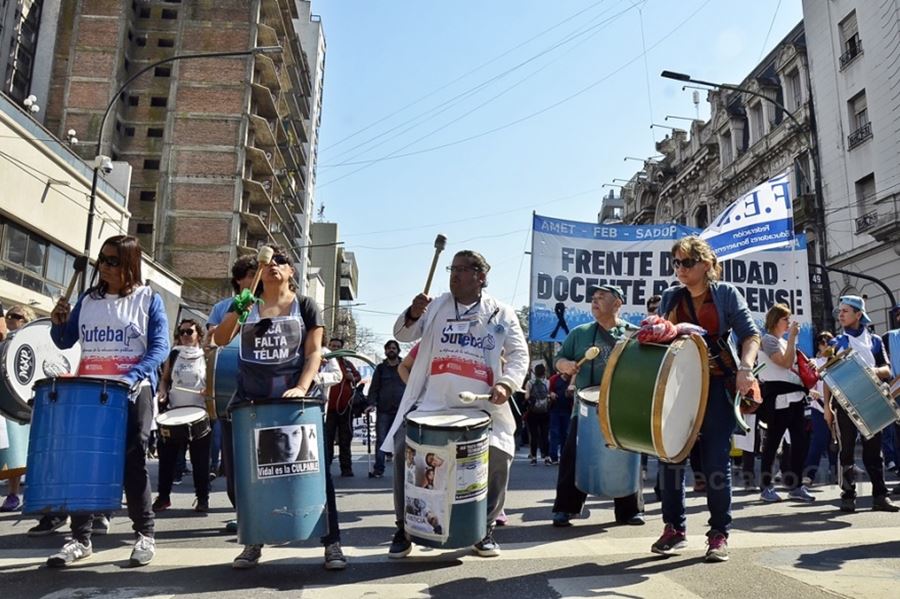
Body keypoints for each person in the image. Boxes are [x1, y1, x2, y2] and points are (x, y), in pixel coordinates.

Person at [384, 250, 528, 559]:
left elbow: (519, 355)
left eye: (463, 269)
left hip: (481, 407)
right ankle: (403, 528)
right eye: (453, 268)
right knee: (401, 450)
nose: (454, 274)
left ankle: (484, 528)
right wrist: (412, 311)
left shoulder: (501, 312)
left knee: (499, 454)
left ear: (481, 277)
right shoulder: (435, 306)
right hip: (432, 405)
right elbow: (402, 333)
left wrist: (506, 383)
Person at [212, 245, 347, 570]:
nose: (274, 265)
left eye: (282, 262)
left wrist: (301, 387)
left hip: (296, 404)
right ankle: (252, 541)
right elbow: (220, 338)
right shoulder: (247, 305)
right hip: (251, 403)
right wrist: (239, 306)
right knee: (247, 476)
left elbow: (314, 352)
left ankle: (332, 544)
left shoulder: (305, 306)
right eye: (269, 261)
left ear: (292, 273)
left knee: (313, 475)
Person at [46, 235, 169, 567]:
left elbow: (159, 348)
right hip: (89, 389)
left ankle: (145, 534)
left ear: (130, 264)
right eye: (102, 259)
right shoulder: (88, 298)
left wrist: (133, 375)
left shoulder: (148, 299)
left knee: (132, 462)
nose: (104, 266)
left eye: (113, 261)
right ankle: (80, 539)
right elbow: (63, 340)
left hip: (132, 389)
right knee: (84, 463)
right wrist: (57, 322)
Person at [651, 235, 760, 563]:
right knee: (669, 457)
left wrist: (746, 368)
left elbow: (751, 335)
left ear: (706, 265)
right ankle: (674, 529)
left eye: (686, 262)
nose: (679, 269)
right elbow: (660, 341)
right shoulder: (671, 296)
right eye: (676, 263)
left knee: (715, 461)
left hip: (717, 385)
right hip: (680, 387)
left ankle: (718, 534)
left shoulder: (726, 294)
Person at [551, 284, 644, 527]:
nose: (595, 300)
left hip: (621, 407)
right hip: (584, 407)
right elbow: (558, 359)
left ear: (617, 304)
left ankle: (629, 510)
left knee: (626, 453)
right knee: (573, 455)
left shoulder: (633, 334)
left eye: (602, 297)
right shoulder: (579, 333)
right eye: (594, 297)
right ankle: (566, 508)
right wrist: (566, 366)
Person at [824, 295, 898, 513]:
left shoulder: (874, 341)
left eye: (845, 311)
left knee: (874, 452)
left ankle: (880, 496)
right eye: (840, 311)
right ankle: (848, 495)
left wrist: (872, 371)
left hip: (871, 399)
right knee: (846, 450)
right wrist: (828, 407)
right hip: (844, 402)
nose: (841, 314)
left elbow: (887, 369)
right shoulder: (835, 343)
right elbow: (827, 376)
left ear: (858, 314)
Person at [205, 254, 259, 531]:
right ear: (239, 280)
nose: (256, 279)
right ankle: (241, 511)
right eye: (251, 275)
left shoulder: (268, 305)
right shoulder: (223, 307)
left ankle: (263, 510)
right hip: (230, 390)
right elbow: (211, 341)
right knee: (234, 458)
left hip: (260, 391)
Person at [152, 319, 212, 513]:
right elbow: (165, 379)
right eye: (182, 332)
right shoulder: (175, 353)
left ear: (198, 335)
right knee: (167, 459)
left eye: (190, 332)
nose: (185, 335)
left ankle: (202, 498)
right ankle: (163, 497)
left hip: (198, 414)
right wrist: (162, 392)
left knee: (200, 460)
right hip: (174, 413)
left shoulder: (207, 355)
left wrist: (208, 391)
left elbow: (213, 382)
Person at [757, 303, 815, 503]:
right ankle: (766, 486)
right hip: (779, 399)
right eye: (785, 319)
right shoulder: (768, 340)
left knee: (799, 443)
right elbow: (783, 362)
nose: (789, 323)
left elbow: (792, 365)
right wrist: (791, 339)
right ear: (775, 321)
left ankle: (796, 485)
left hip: (795, 398)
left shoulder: (782, 341)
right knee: (773, 443)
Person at [0, 305, 36, 512]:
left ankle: (15, 494)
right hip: (4, 398)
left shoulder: (29, 341)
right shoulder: (4, 340)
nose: (10, 318)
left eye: (16, 315)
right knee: (7, 450)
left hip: (21, 403)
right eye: (9, 315)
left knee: (15, 449)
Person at [366, 339, 406, 478]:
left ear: (398, 350)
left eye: (394, 348)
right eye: (389, 348)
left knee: (402, 442)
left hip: (402, 410)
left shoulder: (405, 366)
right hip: (384, 410)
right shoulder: (380, 368)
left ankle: (404, 471)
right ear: (385, 351)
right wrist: (371, 403)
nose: (391, 350)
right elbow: (374, 388)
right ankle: (378, 469)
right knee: (381, 440)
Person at [802, 331, 837, 486]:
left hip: (837, 406)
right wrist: (811, 391)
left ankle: (836, 471)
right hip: (819, 407)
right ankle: (809, 474)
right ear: (818, 345)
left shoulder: (837, 361)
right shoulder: (813, 362)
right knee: (819, 441)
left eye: (829, 342)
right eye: (823, 342)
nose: (826, 345)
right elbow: (806, 382)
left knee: (837, 442)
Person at [324, 337, 361, 477]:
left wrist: (352, 377)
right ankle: (326, 468)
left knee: (345, 440)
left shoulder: (347, 364)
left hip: (346, 409)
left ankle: (346, 468)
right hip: (328, 409)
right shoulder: (324, 362)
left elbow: (357, 377)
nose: (334, 348)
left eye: (337, 346)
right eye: (332, 346)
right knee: (328, 439)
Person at [525, 364, 552, 465]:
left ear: (535, 372)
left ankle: (534, 457)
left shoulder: (530, 383)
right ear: (544, 372)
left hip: (533, 412)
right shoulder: (547, 382)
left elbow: (527, 396)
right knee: (545, 434)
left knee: (534, 435)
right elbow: (550, 395)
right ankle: (547, 457)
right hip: (545, 412)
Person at [547, 368, 573, 465]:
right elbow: (548, 390)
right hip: (555, 410)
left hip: (567, 410)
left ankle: (564, 455)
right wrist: (551, 393)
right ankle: (553, 456)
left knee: (565, 434)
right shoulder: (554, 379)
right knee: (554, 433)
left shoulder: (572, 380)